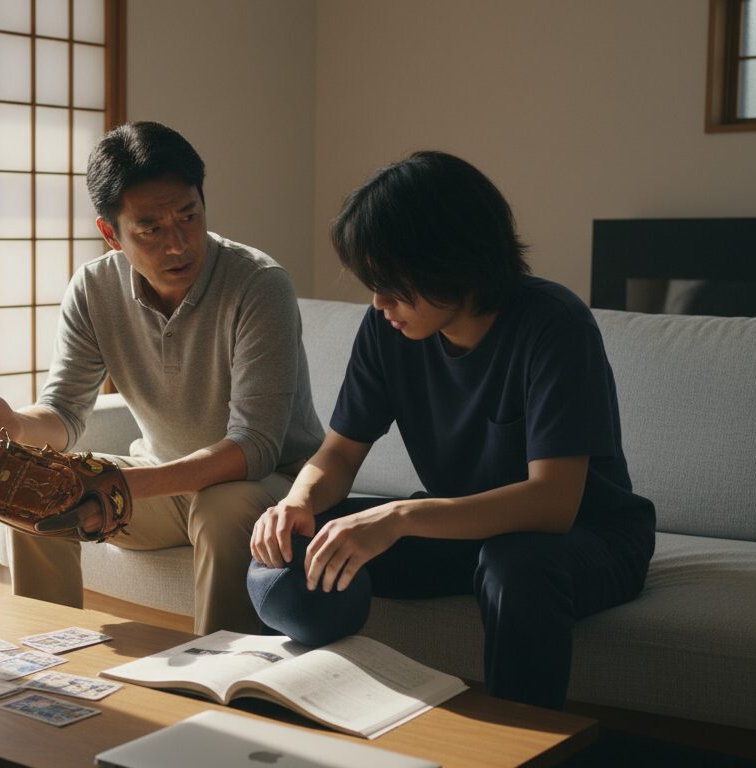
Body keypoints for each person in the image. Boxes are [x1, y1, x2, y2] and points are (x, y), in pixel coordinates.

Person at [246, 151, 655, 709]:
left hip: (587, 535)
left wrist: (401, 517)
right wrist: (298, 502)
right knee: (298, 552)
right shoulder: (387, 329)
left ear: (452, 260)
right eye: (373, 282)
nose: (379, 301)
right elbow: (339, 453)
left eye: (392, 282)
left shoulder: (554, 326)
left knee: (516, 568)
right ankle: (319, 719)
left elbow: (554, 502)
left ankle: (519, 746)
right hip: (463, 526)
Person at [0, 121, 324, 635]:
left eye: (189, 216)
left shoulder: (259, 285)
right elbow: (65, 412)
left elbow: (255, 445)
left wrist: (121, 485)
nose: (178, 243)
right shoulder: (95, 288)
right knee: (35, 486)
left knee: (220, 506)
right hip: (164, 482)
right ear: (110, 233)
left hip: (268, 485)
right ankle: (45, 657)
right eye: (151, 229)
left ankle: (217, 678)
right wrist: (16, 423)